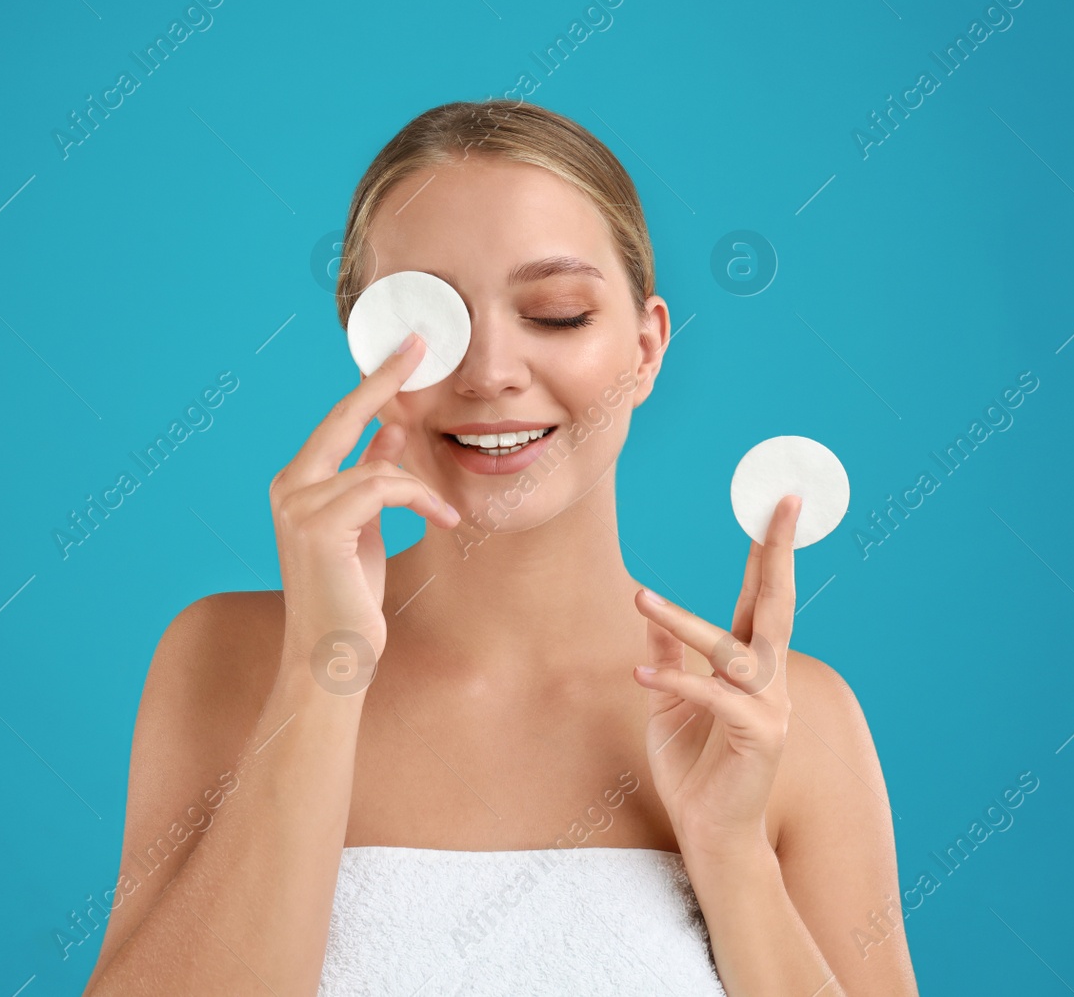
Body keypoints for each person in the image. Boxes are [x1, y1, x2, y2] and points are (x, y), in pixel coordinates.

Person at [81, 100, 919, 996]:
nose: (488, 372)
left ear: (646, 348)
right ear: (368, 353)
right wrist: (323, 679)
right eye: (428, 325)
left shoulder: (788, 722)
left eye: (556, 314)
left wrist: (731, 854)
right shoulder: (225, 661)